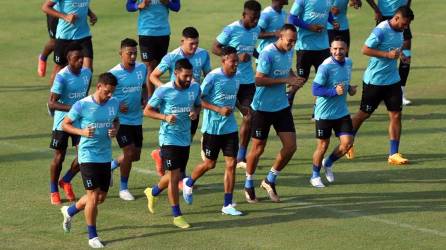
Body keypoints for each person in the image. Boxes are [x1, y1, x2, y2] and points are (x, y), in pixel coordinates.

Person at [244, 24, 304, 203]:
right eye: (289, 41)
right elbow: (258, 80)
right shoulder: (267, 53)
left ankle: (270, 179)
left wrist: (293, 79)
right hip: (262, 108)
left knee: (291, 146)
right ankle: (248, 183)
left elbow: (287, 70)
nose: (292, 44)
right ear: (281, 37)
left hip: (281, 107)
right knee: (258, 148)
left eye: (294, 41)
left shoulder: (289, 51)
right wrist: (285, 79)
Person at [60, 73, 120, 248]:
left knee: (100, 197)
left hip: (105, 154)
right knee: (93, 196)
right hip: (87, 155)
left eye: (112, 92)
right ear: (99, 86)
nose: (109, 95)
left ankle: (69, 211)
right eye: (107, 92)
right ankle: (92, 236)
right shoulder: (83, 105)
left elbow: (116, 120)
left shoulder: (114, 103)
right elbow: (66, 124)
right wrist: (82, 132)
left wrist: (114, 130)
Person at [181, 46, 243, 216]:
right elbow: (199, 100)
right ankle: (189, 182)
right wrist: (218, 109)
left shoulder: (238, 76)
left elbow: (233, 96)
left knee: (231, 164)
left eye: (237, 61)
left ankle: (227, 204)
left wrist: (242, 109)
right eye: (233, 61)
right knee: (210, 164)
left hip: (230, 128)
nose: (236, 64)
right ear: (223, 61)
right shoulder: (213, 77)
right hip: (213, 129)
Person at [350, 6, 414, 165]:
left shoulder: (401, 29)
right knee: (363, 114)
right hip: (375, 80)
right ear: (396, 18)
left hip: (393, 80)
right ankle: (347, 140)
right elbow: (365, 49)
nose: (405, 27)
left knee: (396, 115)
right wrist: (387, 55)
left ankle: (393, 154)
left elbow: (397, 49)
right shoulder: (381, 30)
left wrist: (402, 57)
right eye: (403, 24)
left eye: (407, 25)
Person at [143, 59, 201, 229]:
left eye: (191, 76)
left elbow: (198, 106)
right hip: (168, 139)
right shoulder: (163, 91)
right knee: (175, 176)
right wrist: (165, 117)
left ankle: (152, 192)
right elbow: (147, 111)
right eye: (186, 76)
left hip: (185, 138)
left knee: (172, 175)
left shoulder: (195, 88)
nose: (189, 79)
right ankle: (177, 215)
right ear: (176, 73)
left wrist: (194, 113)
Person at [149, 26, 211, 177]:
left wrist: (203, 95)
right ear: (182, 41)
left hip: (192, 103)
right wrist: (166, 90)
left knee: (187, 139)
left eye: (196, 43)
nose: (194, 47)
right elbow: (153, 76)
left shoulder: (203, 54)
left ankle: (162, 156)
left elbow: (208, 75)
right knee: (174, 138)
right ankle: (180, 175)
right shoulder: (171, 57)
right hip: (174, 106)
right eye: (191, 44)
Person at [212, 0, 261, 169]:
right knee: (224, 115)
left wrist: (258, 55)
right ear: (244, 15)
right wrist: (236, 57)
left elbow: (251, 48)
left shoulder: (256, 29)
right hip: (230, 80)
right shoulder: (231, 29)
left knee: (249, 116)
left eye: (257, 18)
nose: (255, 22)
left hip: (247, 81)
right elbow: (215, 47)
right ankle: (208, 139)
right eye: (253, 18)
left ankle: (241, 154)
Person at [310, 36, 357, 188]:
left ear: (346, 49)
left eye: (341, 48)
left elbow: (344, 82)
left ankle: (328, 163)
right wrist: (333, 91)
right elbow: (315, 89)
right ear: (330, 50)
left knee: (347, 144)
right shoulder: (325, 67)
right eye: (335, 49)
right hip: (324, 113)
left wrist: (349, 89)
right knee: (322, 146)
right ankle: (315, 175)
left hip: (341, 111)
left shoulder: (349, 63)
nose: (338, 51)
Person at [47, 43, 92, 205]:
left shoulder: (87, 73)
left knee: (83, 156)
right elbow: (52, 103)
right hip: (62, 122)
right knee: (59, 157)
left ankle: (66, 180)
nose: (80, 61)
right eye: (76, 58)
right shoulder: (62, 77)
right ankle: (53, 190)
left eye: (82, 58)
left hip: (79, 121)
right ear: (68, 59)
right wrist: (74, 107)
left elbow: (84, 96)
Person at [108, 38, 148, 201]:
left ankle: (110, 167)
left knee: (135, 156)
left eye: (134, 53)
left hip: (137, 119)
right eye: (129, 53)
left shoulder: (141, 68)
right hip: (120, 120)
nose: (132, 56)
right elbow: (105, 96)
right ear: (121, 53)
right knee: (129, 152)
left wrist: (145, 98)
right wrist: (117, 106)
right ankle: (123, 188)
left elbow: (144, 87)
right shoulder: (113, 74)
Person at [288, 0, 339, 115]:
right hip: (305, 47)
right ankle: (289, 97)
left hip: (323, 47)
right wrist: (309, 27)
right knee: (302, 78)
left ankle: (317, 111)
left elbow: (327, 13)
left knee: (324, 79)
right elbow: (291, 18)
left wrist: (333, 21)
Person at [125, 0, 181, 97]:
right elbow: (129, 6)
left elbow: (177, 7)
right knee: (149, 66)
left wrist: (167, 2)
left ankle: (145, 88)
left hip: (163, 33)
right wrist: (139, 5)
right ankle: (151, 100)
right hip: (146, 32)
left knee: (158, 68)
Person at [364, 0, 413, 105]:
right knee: (382, 52)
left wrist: (406, 10)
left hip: (403, 17)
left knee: (406, 56)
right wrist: (376, 9)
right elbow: (365, 49)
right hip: (385, 15)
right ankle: (380, 88)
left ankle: (401, 93)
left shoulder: (404, 24)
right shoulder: (382, 28)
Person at [41, 0, 97, 86]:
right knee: (60, 68)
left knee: (88, 70)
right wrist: (65, 16)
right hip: (64, 36)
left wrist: (90, 14)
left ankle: (83, 97)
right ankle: (53, 98)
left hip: (84, 35)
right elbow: (45, 7)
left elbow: (82, 4)